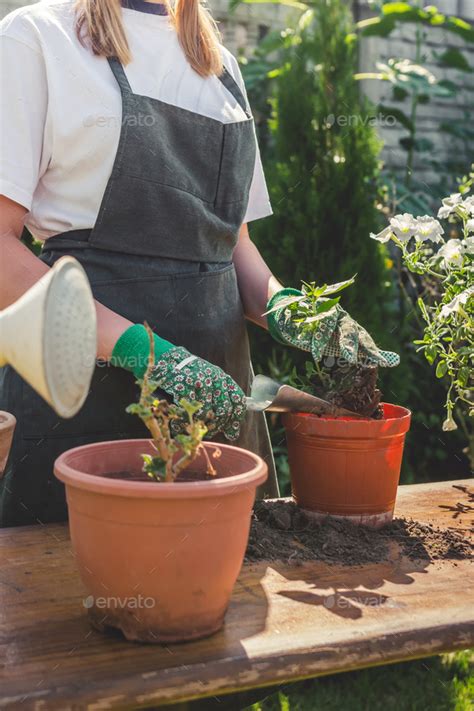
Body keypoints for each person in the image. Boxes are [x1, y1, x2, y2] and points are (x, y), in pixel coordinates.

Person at [0, 0, 398, 528]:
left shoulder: (220, 66)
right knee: (83, 587)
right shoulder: (37, 37)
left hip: (222, 399)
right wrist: (144, 352)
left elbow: (232, 246)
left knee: (230, 587)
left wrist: (290, 310)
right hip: (86, 405)